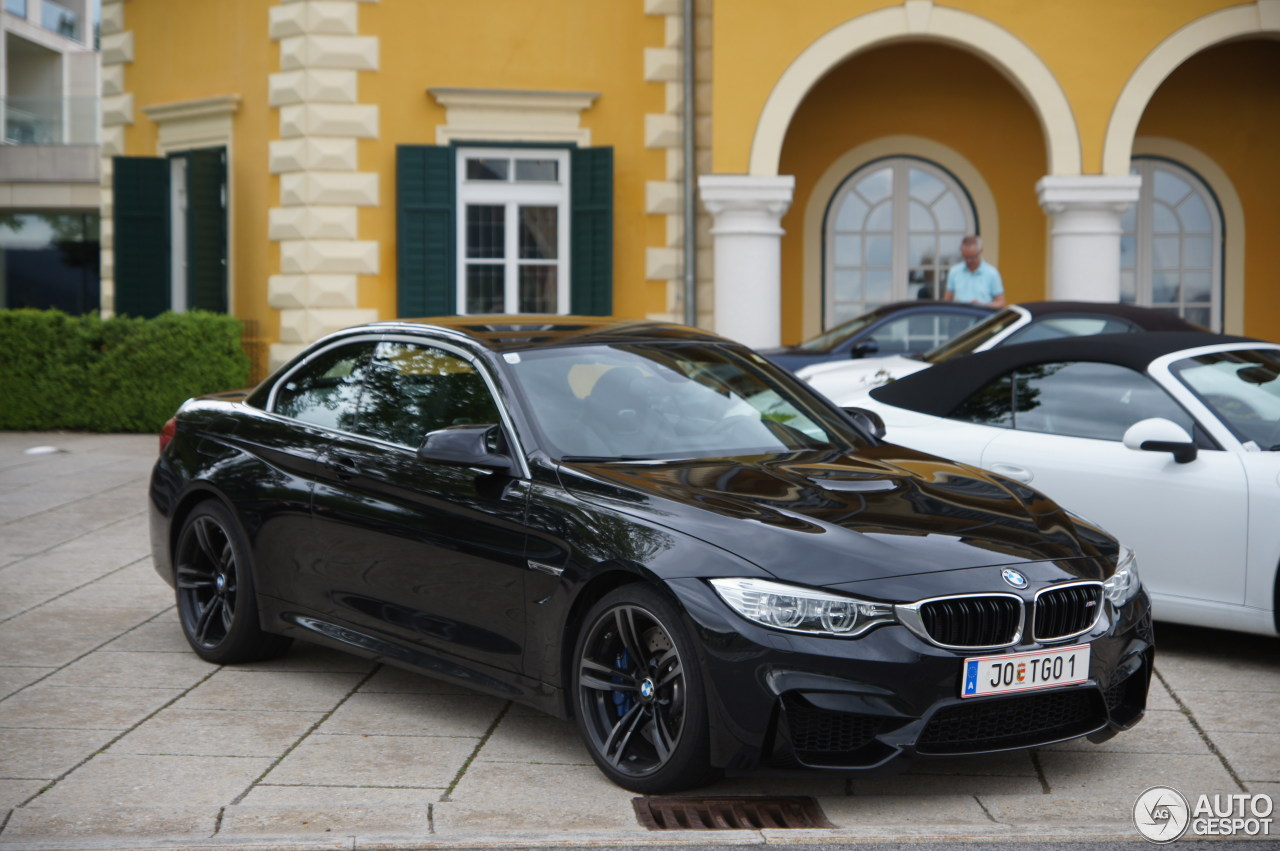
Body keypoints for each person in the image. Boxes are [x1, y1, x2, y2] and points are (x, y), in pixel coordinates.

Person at [943, 235, 1005, 307]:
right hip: (959, 316)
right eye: (965, 257)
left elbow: (1001, 303)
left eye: (972, 257)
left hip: (983, 317)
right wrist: (955, 305)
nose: (969, 261)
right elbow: (946, 301)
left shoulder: (992, 273)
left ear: (980, 251)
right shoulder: (954, 271)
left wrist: (982, 306)